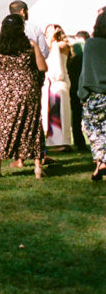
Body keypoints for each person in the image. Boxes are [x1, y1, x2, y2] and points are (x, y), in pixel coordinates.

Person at [0, 14, 48, 179]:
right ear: (22, 28)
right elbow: (42, 67)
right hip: (28, 88)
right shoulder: (30, 44)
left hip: (5, 90)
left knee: (3, 126)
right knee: (32, 125)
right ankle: (37, 167)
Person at [78, 11, 106, 180]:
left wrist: (82, 95)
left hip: (95, 96)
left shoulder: (91, 44)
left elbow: (85, 73)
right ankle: (100, 166)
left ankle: (100, 164)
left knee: (95, 132)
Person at [41, 25, 73, 149]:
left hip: (60, 80)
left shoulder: (61, 44)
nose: (48, 34)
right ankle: (55, 141)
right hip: (51, 82)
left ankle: (63, 142)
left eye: (51, 31)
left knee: (61, 111)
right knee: (54, 110)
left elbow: (50, 49)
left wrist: (51, 39)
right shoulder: (51, 45)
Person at [69, 31, 90, 151]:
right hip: (86, 85)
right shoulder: (87, 51)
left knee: (76, 116)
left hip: (74, 86)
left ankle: (79, 141)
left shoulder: (73, 51)